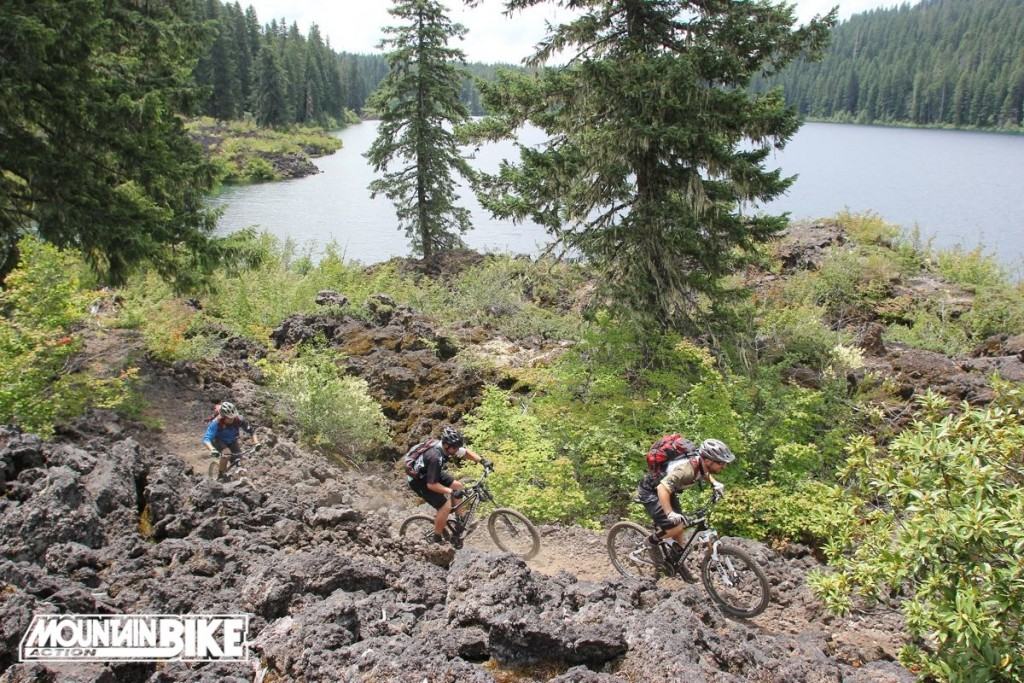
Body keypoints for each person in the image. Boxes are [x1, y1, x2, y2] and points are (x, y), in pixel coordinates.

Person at [636, 437, 734, 568]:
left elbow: (704, 472)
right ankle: (650, 542)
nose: (724, 466)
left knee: (680, 536)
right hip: (652, 491)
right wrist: (670, 513)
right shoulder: (686, 470)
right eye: (721, 463)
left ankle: (675, 565)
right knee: (676, 526)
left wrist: (715, 483)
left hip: (668, 490)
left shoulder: (701, 462)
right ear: (708, 460)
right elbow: (662, 488)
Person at [406, 426, 492, 544]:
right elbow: (432, 485)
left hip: (430, 471)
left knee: (459, 486)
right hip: (419, 481)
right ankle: (436, 537)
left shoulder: (448, 447)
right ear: (447, 446)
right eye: (455, 448)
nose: (457, 450)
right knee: (445, 506)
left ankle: (460, 521)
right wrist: (450, 492)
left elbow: (465, 452)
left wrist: (482, 461)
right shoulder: (435, 457)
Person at [202, 401, 254, 477]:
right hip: (218, 440)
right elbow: (206, 439)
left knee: (240, 459)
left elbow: (251, 431)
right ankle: (221, 475)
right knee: (227, 453)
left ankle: (241, 478)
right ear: (223, 416)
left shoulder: (238, 419)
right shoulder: (216, 422)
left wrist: (256, 443)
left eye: (233, 417)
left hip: (232, 440)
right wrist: (212, 449)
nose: (232, 419)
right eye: (229, 418)